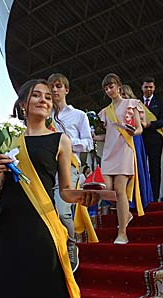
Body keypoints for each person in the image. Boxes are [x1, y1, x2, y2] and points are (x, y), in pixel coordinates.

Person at [0, 79, 98, 298]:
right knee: (10, 292)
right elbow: (1, 193)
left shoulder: (60, 140)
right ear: (22, 105)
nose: (44, 100)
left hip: (42, 228)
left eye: (48, 97)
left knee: (47, 293)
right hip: (8, 228)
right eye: (36, 95)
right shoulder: (8, 141)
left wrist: (82, 196)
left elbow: (65, 190)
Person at [47, 73, 94, 273]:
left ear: (66, 89)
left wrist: (66, 142)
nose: (55, 90)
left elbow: (89, 144)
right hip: (46, 166)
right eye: (52, 87)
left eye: (59, 86)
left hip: (68, 165)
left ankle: (71, 246)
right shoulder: (44, 115)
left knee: (62, 207)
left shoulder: (79, 115)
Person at [96, 74, 144, 244]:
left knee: (119, 189)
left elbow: (139, 129)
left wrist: (133, 132)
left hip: (125, 150)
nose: (109, 90)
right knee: (106, 189)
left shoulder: (131, 104)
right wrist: (94, 137)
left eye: (111, 86)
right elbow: (108, 134)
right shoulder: (104, 112)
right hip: (109, 153)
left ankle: (122, 232)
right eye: (106, 88)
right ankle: (127, 214)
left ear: (119, 87)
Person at [121, 84, 153, 208]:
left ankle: (139, 199)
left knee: (136, 167)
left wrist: (135, 124)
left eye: (124, 94)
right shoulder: (116, 108)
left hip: (135, 138)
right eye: (121, 94)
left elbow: (144, 123)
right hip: (122, 140)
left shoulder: (136, 105)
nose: (122, 97)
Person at [141, 76, 163, 202]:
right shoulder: (137, 103)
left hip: (155, 139)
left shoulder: (160, 102)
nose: (148, 89)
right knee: (140, 167)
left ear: (154, 88)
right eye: (146, 87)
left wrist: (150, 125)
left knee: (154, 168)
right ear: (142, 87)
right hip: (140, 139)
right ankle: (142, 195)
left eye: (151, 87)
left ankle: (155, 197)